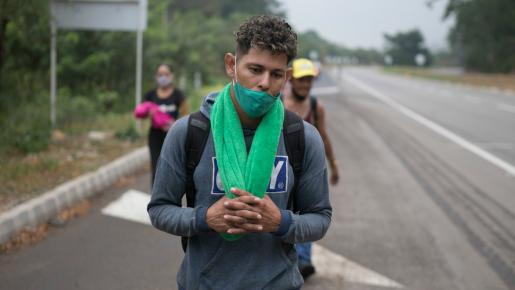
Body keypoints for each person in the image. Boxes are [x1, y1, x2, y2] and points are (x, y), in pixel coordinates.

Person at [147, 15, 332, 290]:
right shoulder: (189, 133)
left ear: (287, 78)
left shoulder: (302, 138)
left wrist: (280, 221)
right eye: (255, 69)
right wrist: (204, 218)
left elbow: (320, 218)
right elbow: (160, 210)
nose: (264, 83)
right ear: (231, 65)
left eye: (276, 74)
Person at [283, 58, 340, 279]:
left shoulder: (316, 107)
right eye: (301, 79)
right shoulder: (278, 103)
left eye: (309, 80)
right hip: (282, 169)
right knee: (285, 213)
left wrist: (333, 164)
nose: (305, 84)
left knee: (307, 212)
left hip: (307, 170)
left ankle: (303, 260)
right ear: (292, 79)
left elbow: (323, 136)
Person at [134, 64, 188, 186]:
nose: (163, 77)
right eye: (160, 75)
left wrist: (174, 124)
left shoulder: (178, 94)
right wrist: (149, 114)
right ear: (156, 77)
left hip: (173, 135)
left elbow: (185, 115)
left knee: (172, 165)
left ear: (171, 76)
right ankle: (155, 196)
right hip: (155, 135)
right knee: (156, 164)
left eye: (166, 74)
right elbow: (142, 113)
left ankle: (172, 194)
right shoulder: (150, 95)